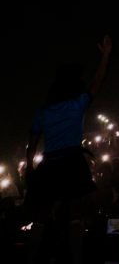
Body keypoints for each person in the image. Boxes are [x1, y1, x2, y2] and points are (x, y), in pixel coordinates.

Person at [24, 34, 113, 264]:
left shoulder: (44, 111)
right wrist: (106, 56)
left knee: (40, 219)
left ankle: (30, 260)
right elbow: (97, 83)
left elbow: (32, 146)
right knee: (75, 218)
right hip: (72, 163)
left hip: (50, 164)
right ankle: (76, 260)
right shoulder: (77, 105)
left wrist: (30, 171)